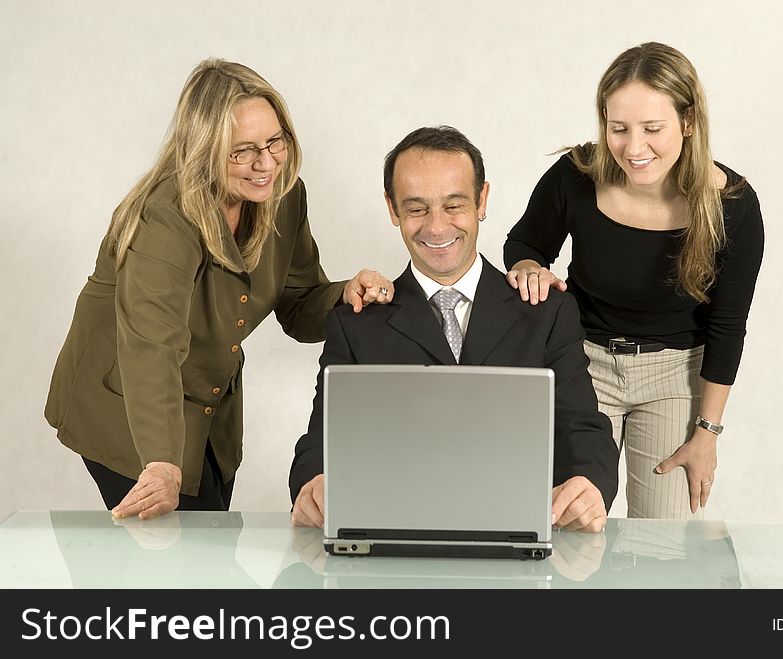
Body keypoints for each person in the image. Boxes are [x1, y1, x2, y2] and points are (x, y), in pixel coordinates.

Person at [45, 59, 394, 521]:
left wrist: (344, 293)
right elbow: (152, 345)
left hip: (209, 406)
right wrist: (163, 464)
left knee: (206, 554)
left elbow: (298, 303)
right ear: (204, 149)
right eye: (241, 151)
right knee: (172, 566)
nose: (265, 163)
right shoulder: (165, 217)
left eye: (275, 141)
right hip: (129, 405)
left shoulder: (284, 195)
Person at [289, 125, 619, 532]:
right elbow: (320, 439)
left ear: (482, 200)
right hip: (391, 539)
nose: (437, 228)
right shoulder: (355, 322)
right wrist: (313, 483)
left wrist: (589, 483)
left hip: (517, 538)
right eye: (416, 209)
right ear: (392, 209)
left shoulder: (545, 311)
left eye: (453, 205)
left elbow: (581, 426)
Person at [503, 42, 764, 519]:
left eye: (652, 129)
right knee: (568, 525)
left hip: (675, 376)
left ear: (688, 122)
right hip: (580, 365)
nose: (633, 147)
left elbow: (728, 326)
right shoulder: (575, 176)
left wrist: (707, 434)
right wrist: (526, 269)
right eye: (618, 129)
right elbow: (524, 245)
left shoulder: (735, 207)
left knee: (662, 548)